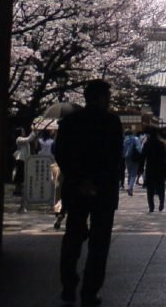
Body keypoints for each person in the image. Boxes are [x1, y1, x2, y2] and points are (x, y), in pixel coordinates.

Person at [54, 79, 123, 307]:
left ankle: (68, 285)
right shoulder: (111, 121)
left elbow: (61, 153)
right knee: (99, 242)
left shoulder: (70, 122)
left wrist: (80, 179)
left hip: (76, 187)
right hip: (103, 190)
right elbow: (114, 158)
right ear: (102, 97)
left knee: (73, 235)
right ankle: (90, 290)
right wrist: (98, 182)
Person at [140, 126, 166, 212]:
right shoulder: (161, 144)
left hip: (150, 167)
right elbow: (165, 156)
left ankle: (151, 206)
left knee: (150, 188)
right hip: (160, 167)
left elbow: (143, 157)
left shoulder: (147, 144)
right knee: (161, 186)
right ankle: (161, 202)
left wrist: (140, 168)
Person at [13, 127, 37, 202]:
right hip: (20, 159)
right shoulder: (19, 139)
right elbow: (29, 138)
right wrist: (33, 130)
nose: (24, 132)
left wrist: (35, 133)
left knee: (21, 176)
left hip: (24, 159)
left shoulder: (22, 139)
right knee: (19, 176)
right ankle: (17, 190)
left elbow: (30, 138)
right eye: (22, 131)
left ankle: (19, 190)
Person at [122, 129, 141, 196]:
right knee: (134, 173)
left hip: (127, 158)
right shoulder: (135, 139)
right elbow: (139, 148)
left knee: (129, 172)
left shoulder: (124, 140)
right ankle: (130, 187)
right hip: (134, 158)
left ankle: (129, 187)